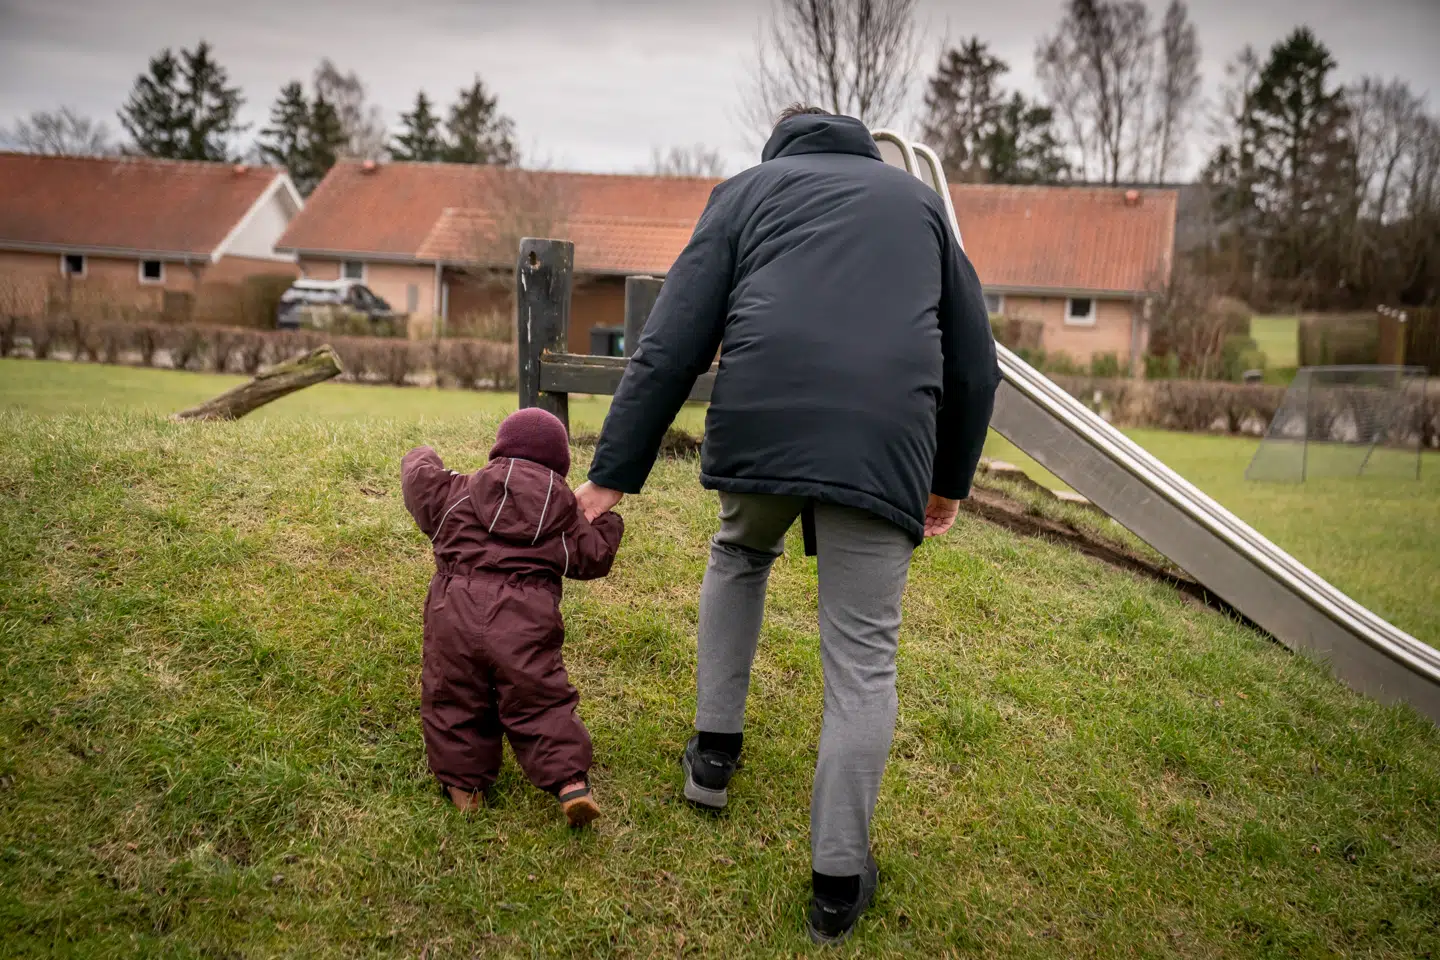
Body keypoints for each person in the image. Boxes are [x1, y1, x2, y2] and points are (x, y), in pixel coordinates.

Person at [576, 106, 1000, 943]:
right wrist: (948, 482)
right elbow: (976, 364)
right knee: (863, 658)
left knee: (740, 550)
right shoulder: (918, 205)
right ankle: (837, 887)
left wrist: (608, 478)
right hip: (885, 441)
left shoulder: (745, 193)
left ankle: (712, 759)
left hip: (764, 416)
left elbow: (670, 343)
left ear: (779, 151)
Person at [402, 407, 624, 828]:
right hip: (525, 623)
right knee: (540, 701)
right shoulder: (563, 517)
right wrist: (607, 520)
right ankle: (571, 786)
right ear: (560, 466)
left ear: (498, 451)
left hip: (454, 616)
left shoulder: (458, 494)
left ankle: (465, 792)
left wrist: (423, 454)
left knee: (454, 698)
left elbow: (418, 481)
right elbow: (595, 558)